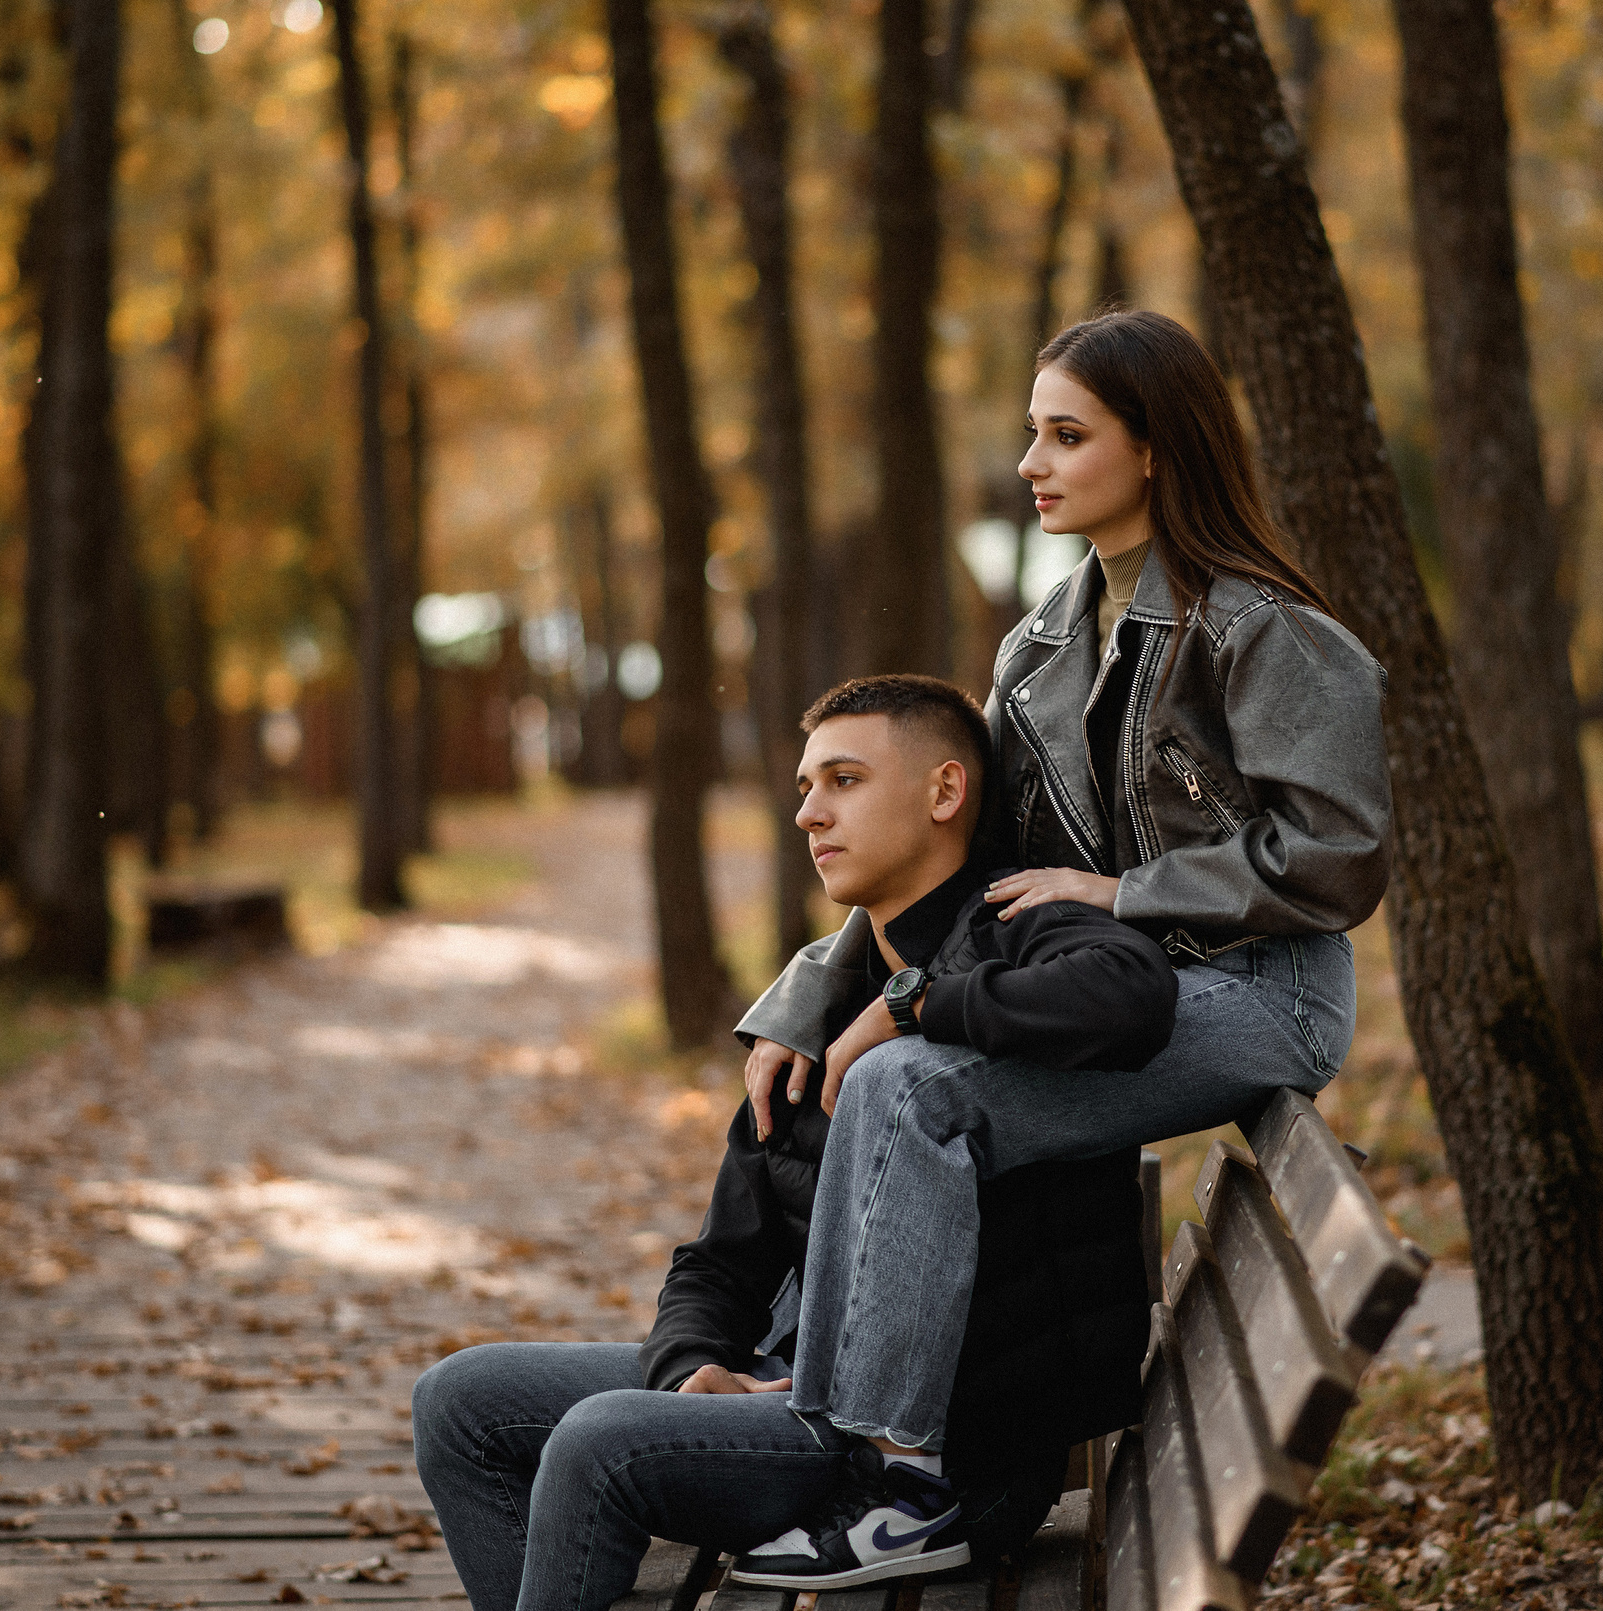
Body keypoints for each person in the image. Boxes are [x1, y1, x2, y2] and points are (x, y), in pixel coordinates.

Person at [733, 309, 1392, 1582]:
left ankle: (901, 1481)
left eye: (1067, 435)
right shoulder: (1035, 652)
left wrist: (1124, 894)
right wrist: (809, 992)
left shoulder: (1260, 633)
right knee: (881, 1077)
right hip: (1106, 994)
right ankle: (824, 1438)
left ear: (1154, 449)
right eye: (1030, 433)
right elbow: (959, 855)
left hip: (1259, 998)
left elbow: (1338, 858)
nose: (1032, 461)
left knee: (918, 1090)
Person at [411, 675, 1174, 1611]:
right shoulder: (817, 1006)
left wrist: (916, 1009)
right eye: (806, 787)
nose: (810, 813)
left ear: (944, 793)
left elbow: (1133, 994)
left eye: (845, 780)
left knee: (597, 1441)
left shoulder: (1021, 934)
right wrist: (688, 1372)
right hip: (789, 1387)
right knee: (460, 1400)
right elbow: (715, 1264)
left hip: (933, 1453)